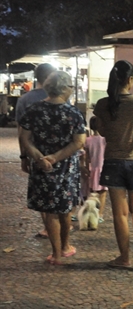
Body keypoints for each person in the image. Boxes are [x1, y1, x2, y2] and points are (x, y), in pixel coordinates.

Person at [19, 71, 86, 265]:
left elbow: (25, 138)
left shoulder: (34, 109)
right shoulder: (73, 113)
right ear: (65, 89)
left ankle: (55, 253)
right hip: (66, 167)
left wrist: (40, 158)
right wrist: (55, 158)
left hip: (42, 168)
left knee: (49, 211)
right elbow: (79, 142)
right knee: (66, 209)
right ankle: (65, 247)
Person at [93, 60, 133, 269]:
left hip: (113, 162)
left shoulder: (102, 104)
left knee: (120, 213)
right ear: (130, 79)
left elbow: (101, 130)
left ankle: (124, 257)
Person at [15, 63, 57, 238]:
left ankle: (48, 227)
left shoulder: (24, 100)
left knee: (41, 191)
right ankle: (60, 228)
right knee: (58, 189)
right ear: (50, 77)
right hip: (58, 153)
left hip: (35, 152)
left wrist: (24, 156)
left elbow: (21, 132)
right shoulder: (60, 97)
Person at [83, 116, 108, 222]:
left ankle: (88, 213)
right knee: (102, 193)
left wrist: (85, 167)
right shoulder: (105, 140)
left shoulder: (87, 140)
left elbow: (86, 157)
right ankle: (100, 215)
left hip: (91, 168)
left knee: (90, 193)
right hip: (103, 169)